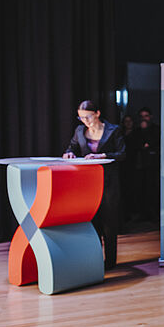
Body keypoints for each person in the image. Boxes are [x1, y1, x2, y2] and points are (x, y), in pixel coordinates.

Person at [63, 100, 126, 269]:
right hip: (88, 183)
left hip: (108, 183)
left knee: (109, 223)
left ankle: (110, 261)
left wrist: (102, 155)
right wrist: (69, 153)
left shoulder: (113, 130)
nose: (85, 121)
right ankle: (95, 259)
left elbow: (122, 154)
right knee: (92, 222)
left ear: (97, 113)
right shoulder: (79, 130)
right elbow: (72, 147)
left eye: (88, 117)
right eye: (81, 118)